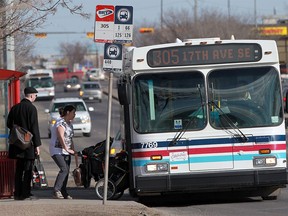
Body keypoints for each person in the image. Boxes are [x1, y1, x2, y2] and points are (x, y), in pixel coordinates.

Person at [7, 87, 42, 200]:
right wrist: (37, 145)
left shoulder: (15, 108)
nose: (36, 98)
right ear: (31, 96)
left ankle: (17, 193)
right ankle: (25, 193)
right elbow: (34, 128)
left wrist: (18, 131)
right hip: (28, 144)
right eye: (35, 95)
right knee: (28, 169)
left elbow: (9, 124)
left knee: (18, 169)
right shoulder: (32, 109)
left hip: (17, 144)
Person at [49, 104, 76, 199]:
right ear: (68, 112)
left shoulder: (70, 124)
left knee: (66, 171)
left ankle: (63, 191)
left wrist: (73, 150)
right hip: (57, 150)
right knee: (64, 169)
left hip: (66, 151)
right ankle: (56, 190)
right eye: (73, 112)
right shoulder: (60, 123)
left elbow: (70, 138)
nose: (74, 115)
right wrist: (66, 148)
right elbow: (60, 136)